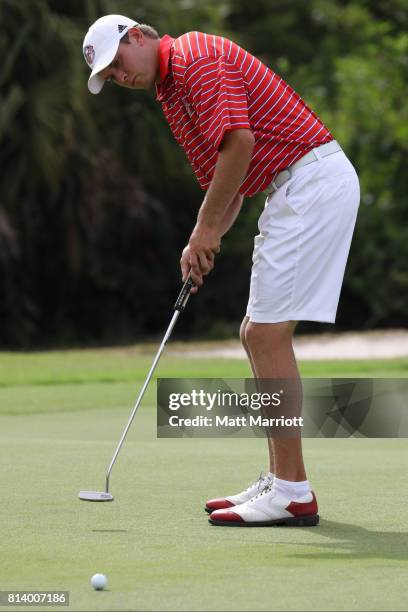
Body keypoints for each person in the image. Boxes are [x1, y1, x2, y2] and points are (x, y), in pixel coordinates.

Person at [83, 15, 360, 527]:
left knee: (266, 334)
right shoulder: (171, 94)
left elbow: (240, 143)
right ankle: (281, 482)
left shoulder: (194, 56)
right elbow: (222, 180)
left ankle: (293, 492)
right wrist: (201, 237)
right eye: (110, 75)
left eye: (118, 62)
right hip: (293, 191)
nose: (119, 76)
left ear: (138, 36)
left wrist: (206, 231)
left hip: (312, 184)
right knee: (256, 335)